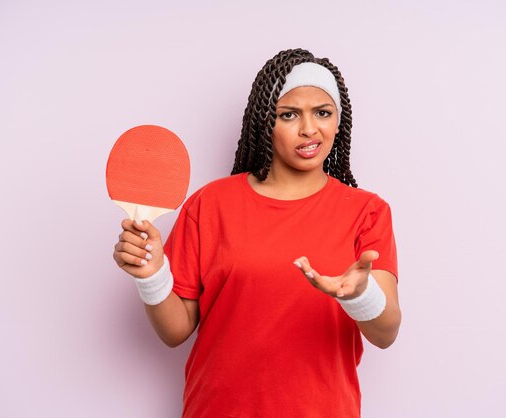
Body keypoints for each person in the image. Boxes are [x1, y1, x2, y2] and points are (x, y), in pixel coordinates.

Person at [112, 48, 401, 418]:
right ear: (265, 122)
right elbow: (175, 332)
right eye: (289, 114)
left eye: (323, 113)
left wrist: (361, 295)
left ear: (338, 122)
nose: (309, 128)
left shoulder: (367, 211)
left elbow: (385, 333)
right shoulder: (210, 204)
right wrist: (152, 276)